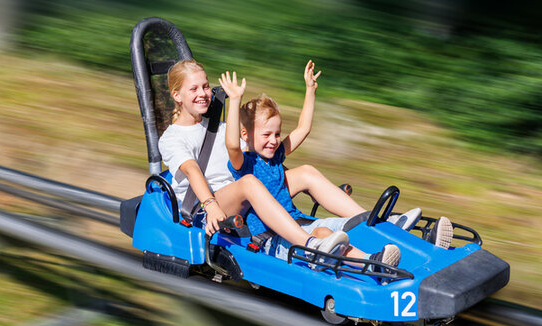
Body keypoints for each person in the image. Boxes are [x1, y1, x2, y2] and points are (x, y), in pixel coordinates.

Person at [157, 60, 432, 271]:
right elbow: (194, 171)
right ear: (177, 95)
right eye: (194, 88)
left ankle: (375, 223)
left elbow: (274, 141)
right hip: (209, 208)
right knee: (250, 182)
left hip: (247, 195)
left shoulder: (223, 126)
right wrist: (210, 205)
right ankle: (307, 243)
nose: (204, 93)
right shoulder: (173, 138)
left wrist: (309, 91)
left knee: (305, 172)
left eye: (205, 86)